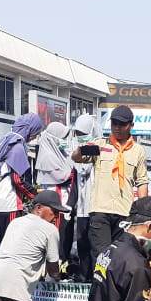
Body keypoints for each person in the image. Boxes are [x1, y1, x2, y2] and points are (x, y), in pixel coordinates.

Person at [73, 105, 149, 265]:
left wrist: (143, 213)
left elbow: (142, 182)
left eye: (122, 124)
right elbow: (77, 158)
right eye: (114, 123)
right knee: (101, 259)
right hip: (100, 211)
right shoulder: (101, 145)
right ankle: (100, 289)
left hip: (124, 211)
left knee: (121, 258)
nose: (117, 128)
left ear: (131, 126)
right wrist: (81, 149)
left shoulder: (138, 151)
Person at [0, 113, 44, 248]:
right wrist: (35, 194)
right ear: (29, 129)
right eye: (35, 132)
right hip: (10, 203)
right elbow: (17, 179)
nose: (34, 137)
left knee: (0, 245)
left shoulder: (6, 142)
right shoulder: (17, 146)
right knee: (11, 246)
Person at [35, 121, 76, 262]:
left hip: (65, 201)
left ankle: (63, 261)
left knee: (66, 234)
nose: (63, 141)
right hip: (54, 202)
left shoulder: (61, 153)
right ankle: (55, 263)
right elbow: (63, 177)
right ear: (53, 137)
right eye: (61, 137)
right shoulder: (47, 156)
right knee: (56, 234)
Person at [71, 113, 99, 280]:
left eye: (83, 133)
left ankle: (95, 279)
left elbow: (86, 168)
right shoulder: (78, 149)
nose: (80, 137)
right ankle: (84, 276)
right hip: (82, 207)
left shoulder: (98, 147)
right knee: (82, 244)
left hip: (95, 206)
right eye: (78, 134)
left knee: (94, 246)